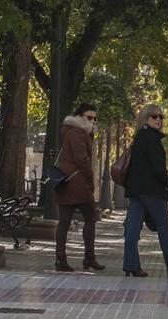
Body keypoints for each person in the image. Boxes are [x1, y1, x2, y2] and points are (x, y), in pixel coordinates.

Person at [123, 104, 168, 277]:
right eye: (155, 116)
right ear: (146, 117)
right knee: (163, 226)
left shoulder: (139, 137)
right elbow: (157, 167)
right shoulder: (151, 138)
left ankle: (130, 264)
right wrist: (167, 183)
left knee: (133, 227)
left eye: (161, 117)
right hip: (152, 190)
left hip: (136, 190)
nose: (159, 120)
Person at [54, 103, 105, 272]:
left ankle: (61, 259)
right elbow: (82, 159)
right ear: (80, 117)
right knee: (89, 219)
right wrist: (91, 179)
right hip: (77, 183)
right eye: (89, 117)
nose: (92, 121)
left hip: (66, 182)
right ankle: (88, 258)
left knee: (64, 222)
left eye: (94, 118)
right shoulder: (77, 132)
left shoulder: (71, 130)